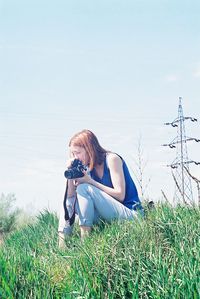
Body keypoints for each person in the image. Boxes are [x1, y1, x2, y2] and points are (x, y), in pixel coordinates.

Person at [58, 129, 143, 245]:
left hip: (131, 215)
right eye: (73, 154)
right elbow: (70, 196)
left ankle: (85, 243)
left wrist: (90, 181)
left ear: (89, 149)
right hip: (109, 215)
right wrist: (70, 171)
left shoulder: (112, 159)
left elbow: (120, 195)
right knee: (69, 199)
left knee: (84, 188)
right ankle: (61, 245)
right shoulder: (86, 166)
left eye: (77, 153)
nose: (75, 157)